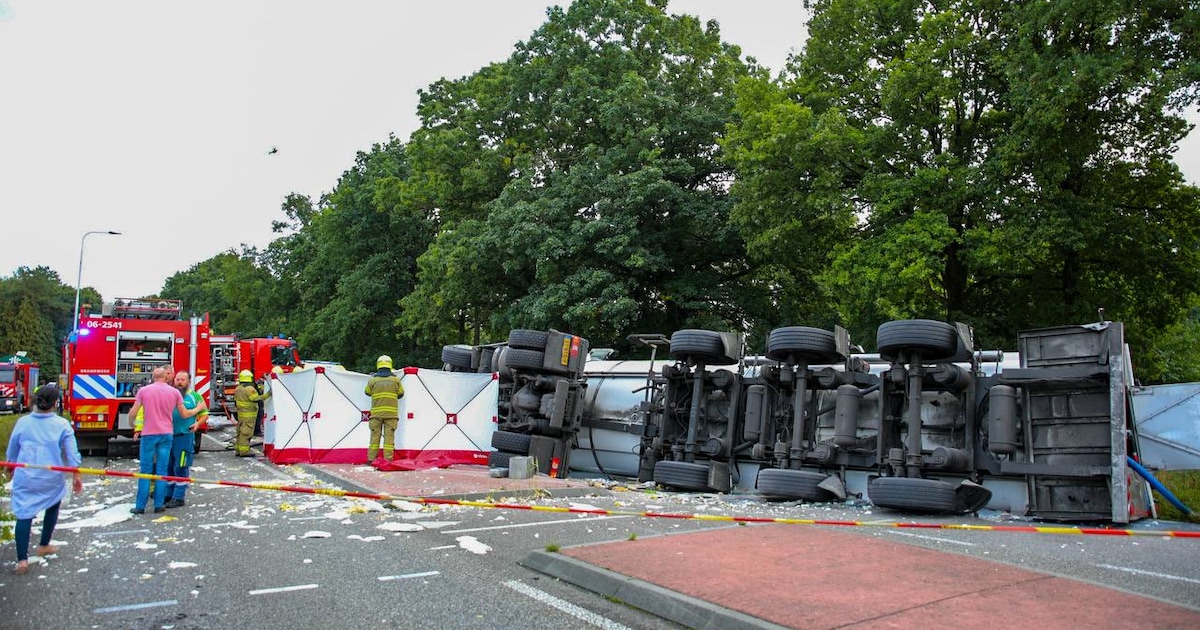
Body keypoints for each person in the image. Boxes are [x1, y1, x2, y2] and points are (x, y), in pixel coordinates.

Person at [3, 384, 83, 575]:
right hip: (51, 477)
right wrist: (76, 474)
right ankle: (44, 544)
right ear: (55, 403)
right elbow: (71, 453)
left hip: (25, 475)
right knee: (53, 504)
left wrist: (10, 466)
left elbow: (13, 449)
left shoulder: (23, 422)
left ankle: (22, 560)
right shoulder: (61, 424)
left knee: (24, 515)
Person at [128, 367, 203, 514]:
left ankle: (140, 506)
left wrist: (133, 425)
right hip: (167, 434)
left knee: (145, 470)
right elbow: (184, 414)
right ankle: (159, 504)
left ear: (153, 376)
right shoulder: (174, 392)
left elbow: (133, 413)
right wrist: (197, 409)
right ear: (167, 377)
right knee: (162, 470)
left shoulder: (144, 391)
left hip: (149, 435)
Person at [164, 370, 207, 508]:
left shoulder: (195, 397)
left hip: (184, 438)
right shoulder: (169, 394)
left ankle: (178, 497)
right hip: (168, 436)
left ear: (189, 381)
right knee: (169, 466)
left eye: (183, 380)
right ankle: (168, 494)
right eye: (177, 379)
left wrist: (198, 424)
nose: (179, 382)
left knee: (181, 466)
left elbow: (204, 414)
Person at [364, 355, 404, 463]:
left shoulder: (373, 380)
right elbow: (401, 394)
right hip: (391, 415)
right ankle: (388, 461)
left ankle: (371, 460)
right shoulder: (396, 380)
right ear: (390, 365)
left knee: (374, 438)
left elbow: (367, 392)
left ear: (378, 365)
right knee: (389, 439)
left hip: (376, 415)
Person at [233, 370, 270, 457]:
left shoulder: (238, 388)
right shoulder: (249, 389)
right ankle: (244, 451)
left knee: (240, 432)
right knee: (246, 433)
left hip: (241, 414)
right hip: (249, 415)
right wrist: (268, 394)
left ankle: (238, 450)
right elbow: (256, 398)